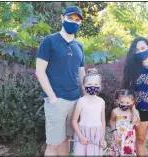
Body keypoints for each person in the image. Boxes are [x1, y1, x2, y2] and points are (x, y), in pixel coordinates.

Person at [35, 6, 86, 156]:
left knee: (66, 140)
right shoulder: (49, 41)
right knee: (53, 146)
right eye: (70, 18)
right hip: (57, 101)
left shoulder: (80, 46)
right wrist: (52, 98)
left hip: (75, 100)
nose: (74, 22)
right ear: (62, 18)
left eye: (77, 20)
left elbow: (81, 72)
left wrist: (85, 99)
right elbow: (39, 71)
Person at [72, 68, 107, 156]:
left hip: (97, 134)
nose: (93, 86)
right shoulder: (81, 101)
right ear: (83, 86)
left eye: (96, 84)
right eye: (89, 84)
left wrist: (103, 138)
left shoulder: (101, 102)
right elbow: (74, 121)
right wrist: (80, 136)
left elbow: (103, 121)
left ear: (100, 86)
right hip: (83, 133)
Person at [109, 89, 139, 156]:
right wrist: (114, 130)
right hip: (118, 136)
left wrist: (134, 111)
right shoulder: (115, 111)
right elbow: (112, 120)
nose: (124, 104)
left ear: (132, 102)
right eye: (122, 102)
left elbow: (136, 122)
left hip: (129, 138)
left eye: (127, 103)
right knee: (118, 152)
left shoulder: (134, 112)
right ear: (117, 101)